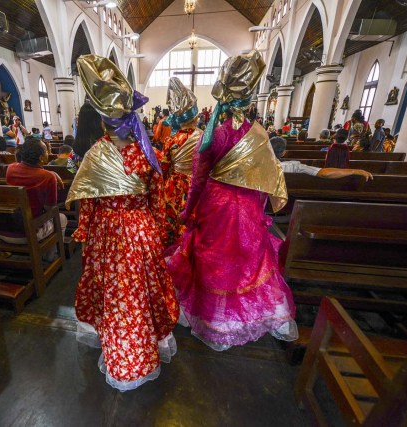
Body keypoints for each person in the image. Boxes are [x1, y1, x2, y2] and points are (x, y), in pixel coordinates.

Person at [165, 51, 297, 351]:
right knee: (241, 261)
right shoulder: (260, 135)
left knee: (213, 262)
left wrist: (187, 213)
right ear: (250, 101)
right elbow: (266, 178)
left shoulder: (213, 136)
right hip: (248, 209)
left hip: (216, 208)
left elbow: (198, 182)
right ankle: (235, 319)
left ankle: (213, 318)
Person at [67, 54, 178, 391]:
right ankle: (142, 348)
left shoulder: (95, 154)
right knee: (140, 292)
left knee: (115, 294)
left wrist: (85, 232)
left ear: (103, 121)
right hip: (141, 231)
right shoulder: (150, 153)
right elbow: (157, 201)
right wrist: (159, 232)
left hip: (107, 235)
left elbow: (88, 204)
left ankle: (120, 349)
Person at [160, 77, 202, 247]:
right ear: (195, 117)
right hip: (197, 187)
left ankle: (172, 254)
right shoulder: (203, 137)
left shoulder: (172, 139)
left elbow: (164, 165)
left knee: (172, 220)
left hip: (174, 186)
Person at [5, 137, 67, 242]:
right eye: (46, 151)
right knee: (61, 218)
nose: (48, 153)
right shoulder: (47, 177)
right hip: (29, 233)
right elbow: (50, 210)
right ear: (41, 158)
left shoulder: (10, 168)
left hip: (6, 229)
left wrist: (51, 172)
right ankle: (51, 256)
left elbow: (31, 170)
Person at [270, 137, 373, 180]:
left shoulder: (255, 166)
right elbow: (324, 173)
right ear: (284, 153)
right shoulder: (293, 166)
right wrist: (354, 171)